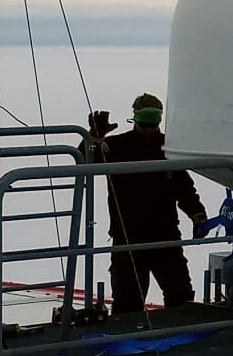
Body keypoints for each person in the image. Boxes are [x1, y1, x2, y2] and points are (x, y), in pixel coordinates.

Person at [88, 94, 207, 318]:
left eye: (153, 124)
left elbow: (184, 187)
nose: (150, 130)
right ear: (135, 119)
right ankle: (129, 336)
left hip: (165, 234)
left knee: (181, 296)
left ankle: (180, 334)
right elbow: (87, 161)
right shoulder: (117, 146)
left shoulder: (170, 148)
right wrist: (94, 138)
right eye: (145, 124)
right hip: (128, 237)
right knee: (128, 303)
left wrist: (197, 215)